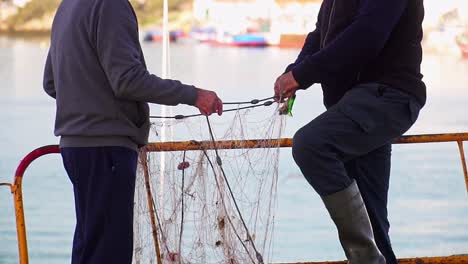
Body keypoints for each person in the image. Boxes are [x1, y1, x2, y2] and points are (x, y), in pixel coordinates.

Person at [42, 0, 222, 263]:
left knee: (89, 246)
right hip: (107, 149)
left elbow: (50, 83)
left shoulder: (68, 6)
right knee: (109, 252)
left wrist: (87, 101)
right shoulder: (111, 5)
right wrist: (193, 95)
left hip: (74, 147)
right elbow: (127, 80)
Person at [274, 0, 426, 263]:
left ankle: (367, 259)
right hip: (353, 104)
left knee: (310, 145)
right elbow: (320, 35)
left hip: (387, 97)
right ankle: (375, 257)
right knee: (372, 222)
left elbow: (367, 34)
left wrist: (302, 74)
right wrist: (294, 73)